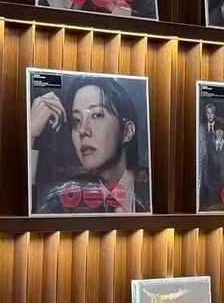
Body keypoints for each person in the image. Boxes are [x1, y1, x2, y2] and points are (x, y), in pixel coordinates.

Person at [29, 76, 150, 214]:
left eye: (97, 115)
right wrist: (30, 133)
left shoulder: (155, 188)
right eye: (76, 120)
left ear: (127, 132)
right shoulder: (65, 197)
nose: (82, 130)